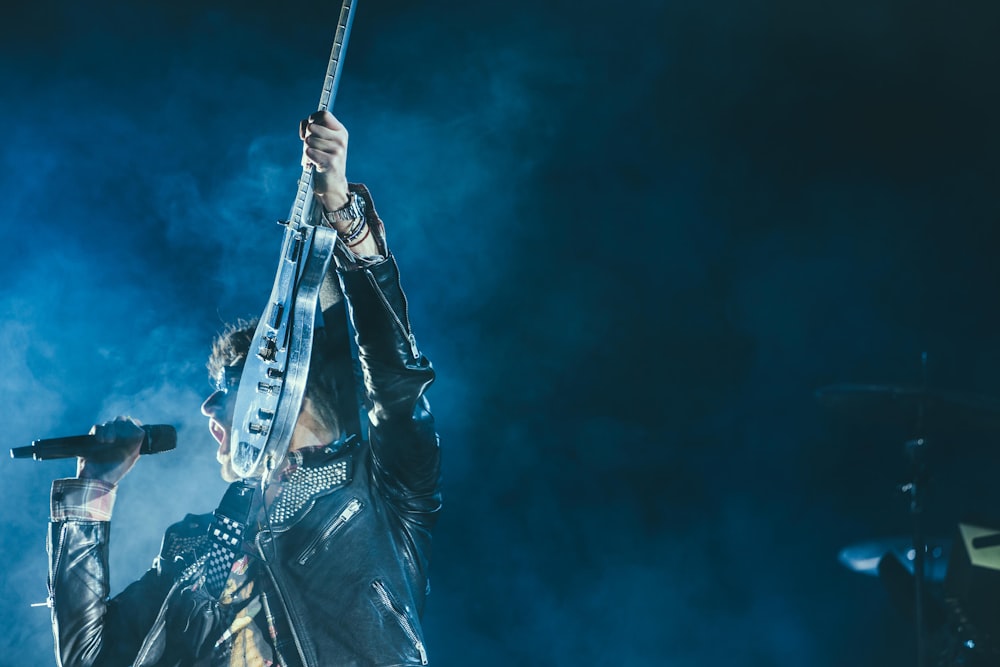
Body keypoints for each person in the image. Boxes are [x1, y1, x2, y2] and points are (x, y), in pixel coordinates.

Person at [45, 111, 441, 667]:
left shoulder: (376, 488)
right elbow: (90, 660)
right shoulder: (190, 546)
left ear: (282, 388)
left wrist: (345, 220)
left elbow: (395, 383)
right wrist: (93, 493)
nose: (208, 405)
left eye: (230, 385)